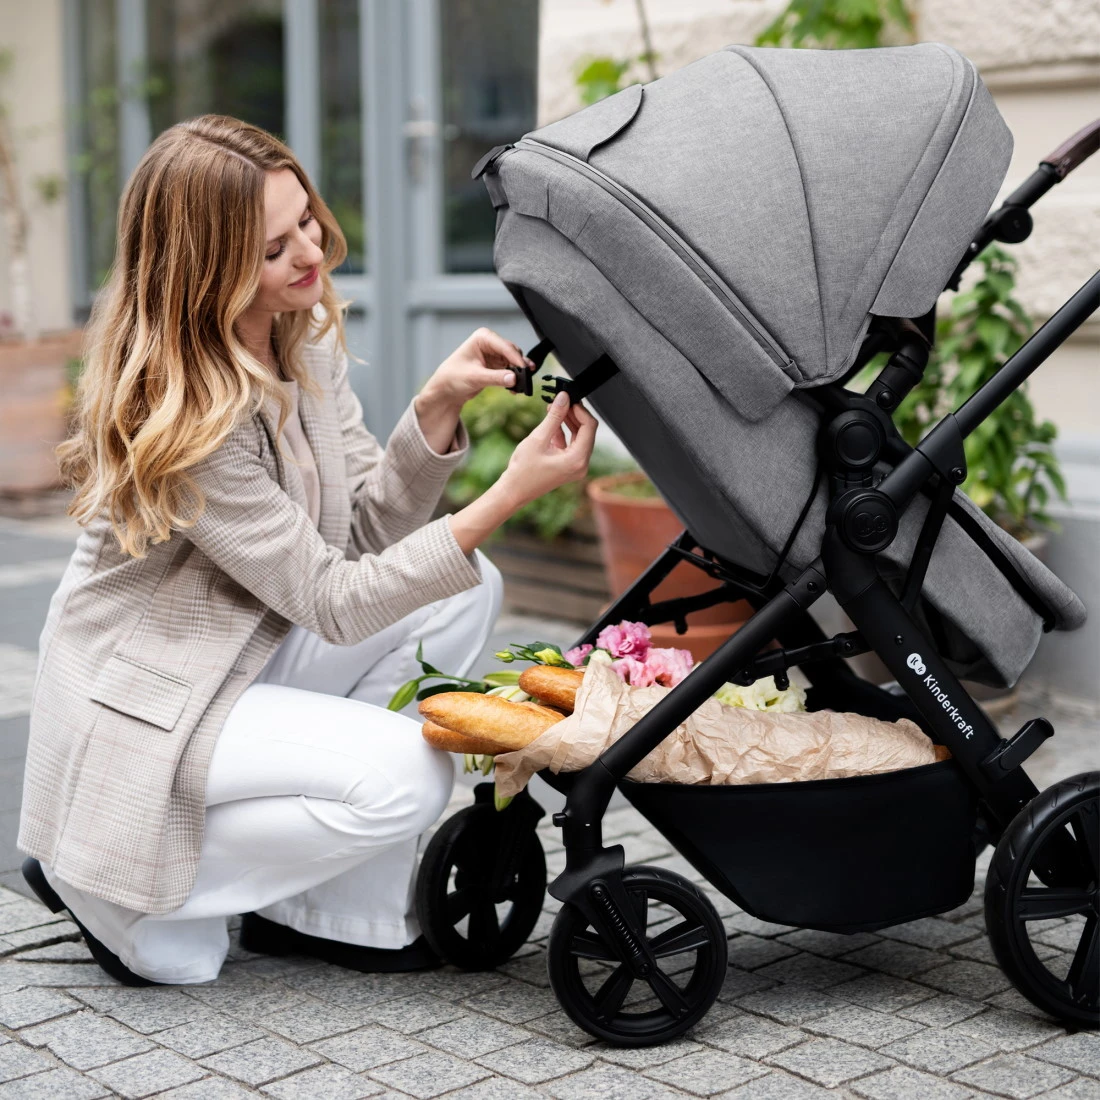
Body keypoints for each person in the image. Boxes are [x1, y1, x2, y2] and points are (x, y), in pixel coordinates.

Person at [17, 114, 597, 986]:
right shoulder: (184, 409)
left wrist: (434, 409)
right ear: (204, 270)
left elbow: (360, 540)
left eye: (307, 222)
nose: (310, 252)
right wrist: (508, 492)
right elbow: (335, 599)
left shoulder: (299, 341)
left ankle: (328, 913)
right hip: (155, 696)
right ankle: (106, 877)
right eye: (272, 248)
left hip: (248, 651)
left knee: (462, 586)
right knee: (400, 781)